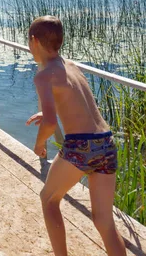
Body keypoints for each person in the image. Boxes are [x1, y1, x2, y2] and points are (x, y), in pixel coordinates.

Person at [25, 16, 125, 256]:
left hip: (81, 146)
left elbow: (50, 124)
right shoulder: (72, 66)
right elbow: (76, 102)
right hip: (106, 143)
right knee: (104, 220)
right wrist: (47, 112)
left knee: (49, 199)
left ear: (33, 41)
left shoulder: (43, 75)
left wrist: (39, 144)